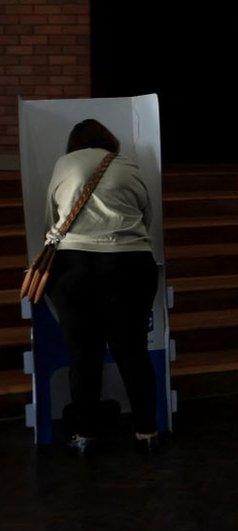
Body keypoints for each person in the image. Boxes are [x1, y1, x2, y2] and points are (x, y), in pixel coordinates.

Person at [44, 119, 161, 453]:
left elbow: (50, 218)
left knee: (83, 355)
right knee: (133, 351)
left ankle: (85, 435)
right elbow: (146, 216)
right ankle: (146, 432)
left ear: (74, 143)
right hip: (131, 264)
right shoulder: (127, 165)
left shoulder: (65, 164)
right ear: (109, 141)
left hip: (76, 267)